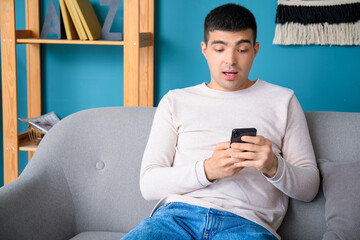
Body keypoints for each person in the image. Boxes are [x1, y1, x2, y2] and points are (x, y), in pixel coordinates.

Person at [122, 3, 320, 240]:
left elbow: (309, 189)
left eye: (242, 49)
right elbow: (149, 184)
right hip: (175, 219)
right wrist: (207, 170)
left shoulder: (283, 100)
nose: (231, 61)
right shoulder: (175, 101)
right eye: (219, 49)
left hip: (246, 225)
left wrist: (272, 166)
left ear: (256, 50)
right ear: (204, 49)